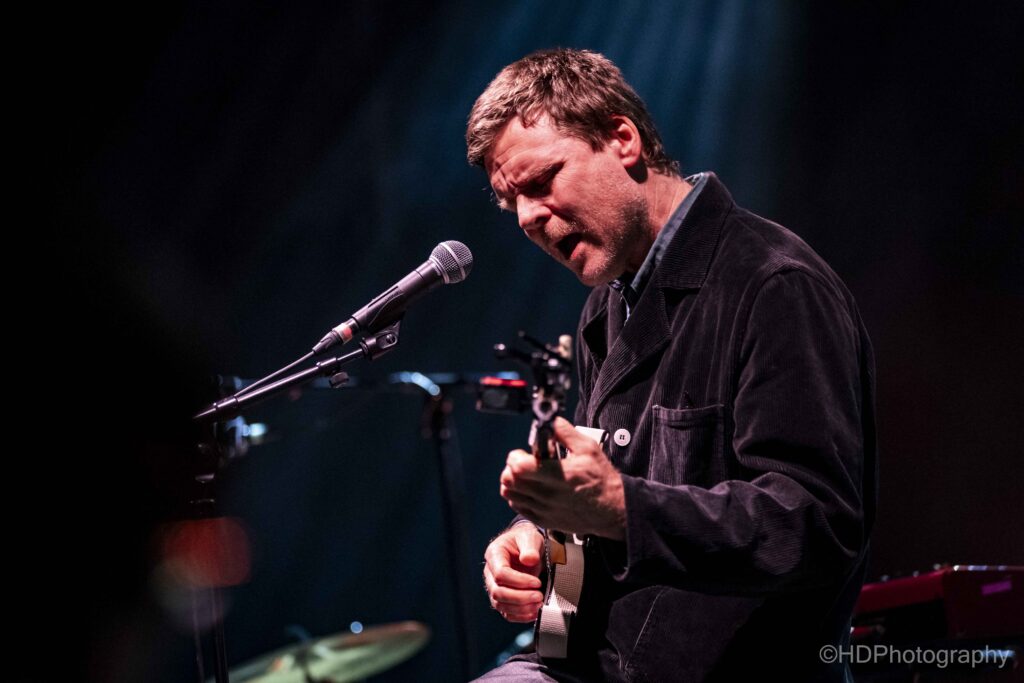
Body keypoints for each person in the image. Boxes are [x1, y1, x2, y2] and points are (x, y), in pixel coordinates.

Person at [466, 48, 877, 682]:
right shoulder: (607, 306)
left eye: (542, 180)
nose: (527, 217)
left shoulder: (774, 283)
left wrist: (622, 510)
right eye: (511, 202)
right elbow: (597, 497)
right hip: (587, 663)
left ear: (622, 140)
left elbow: (814, 524)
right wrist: (534, 539)